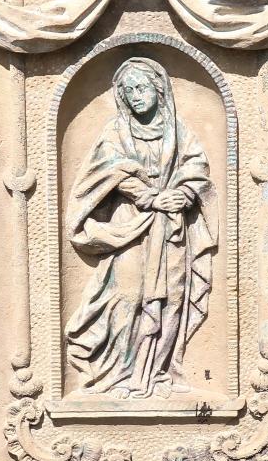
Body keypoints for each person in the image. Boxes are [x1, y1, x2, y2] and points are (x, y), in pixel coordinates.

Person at [64, 57, 218, 398]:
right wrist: (149, 197)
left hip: (172, 229)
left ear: (158, 90)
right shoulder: (114, 132)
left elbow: (197, 168)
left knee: (172, 299)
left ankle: (157, 374)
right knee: (128, 296)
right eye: (128, 90)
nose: (135, 96)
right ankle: (118, 374)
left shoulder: (179, 131)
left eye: (142, 88)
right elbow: (107, 172)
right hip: (130, 227)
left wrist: (183, 194)